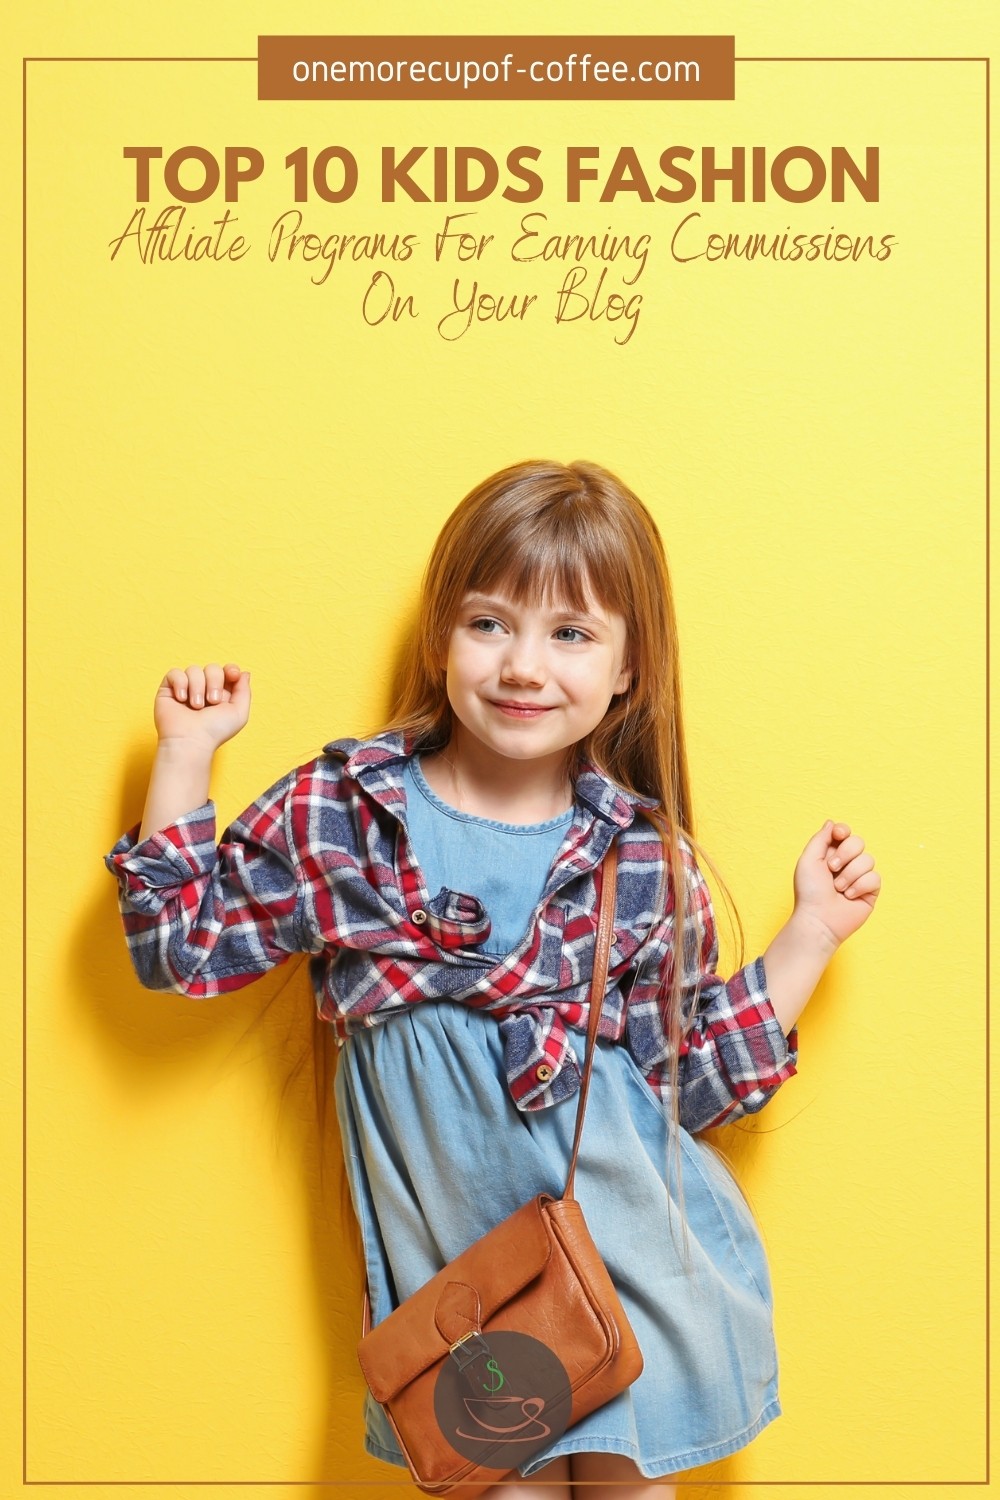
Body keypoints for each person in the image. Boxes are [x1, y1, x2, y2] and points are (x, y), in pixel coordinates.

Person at [105, 458, 880, 1500]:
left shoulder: (637, 858)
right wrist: (185, 756)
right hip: (464, 1302)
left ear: (627, 672)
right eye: (488, 623)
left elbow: (686, 1090)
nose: (523, 665)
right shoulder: (351, 812)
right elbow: (181, 948)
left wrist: (810, 937)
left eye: (571, 634)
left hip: (634, 1271)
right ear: (439, 637)